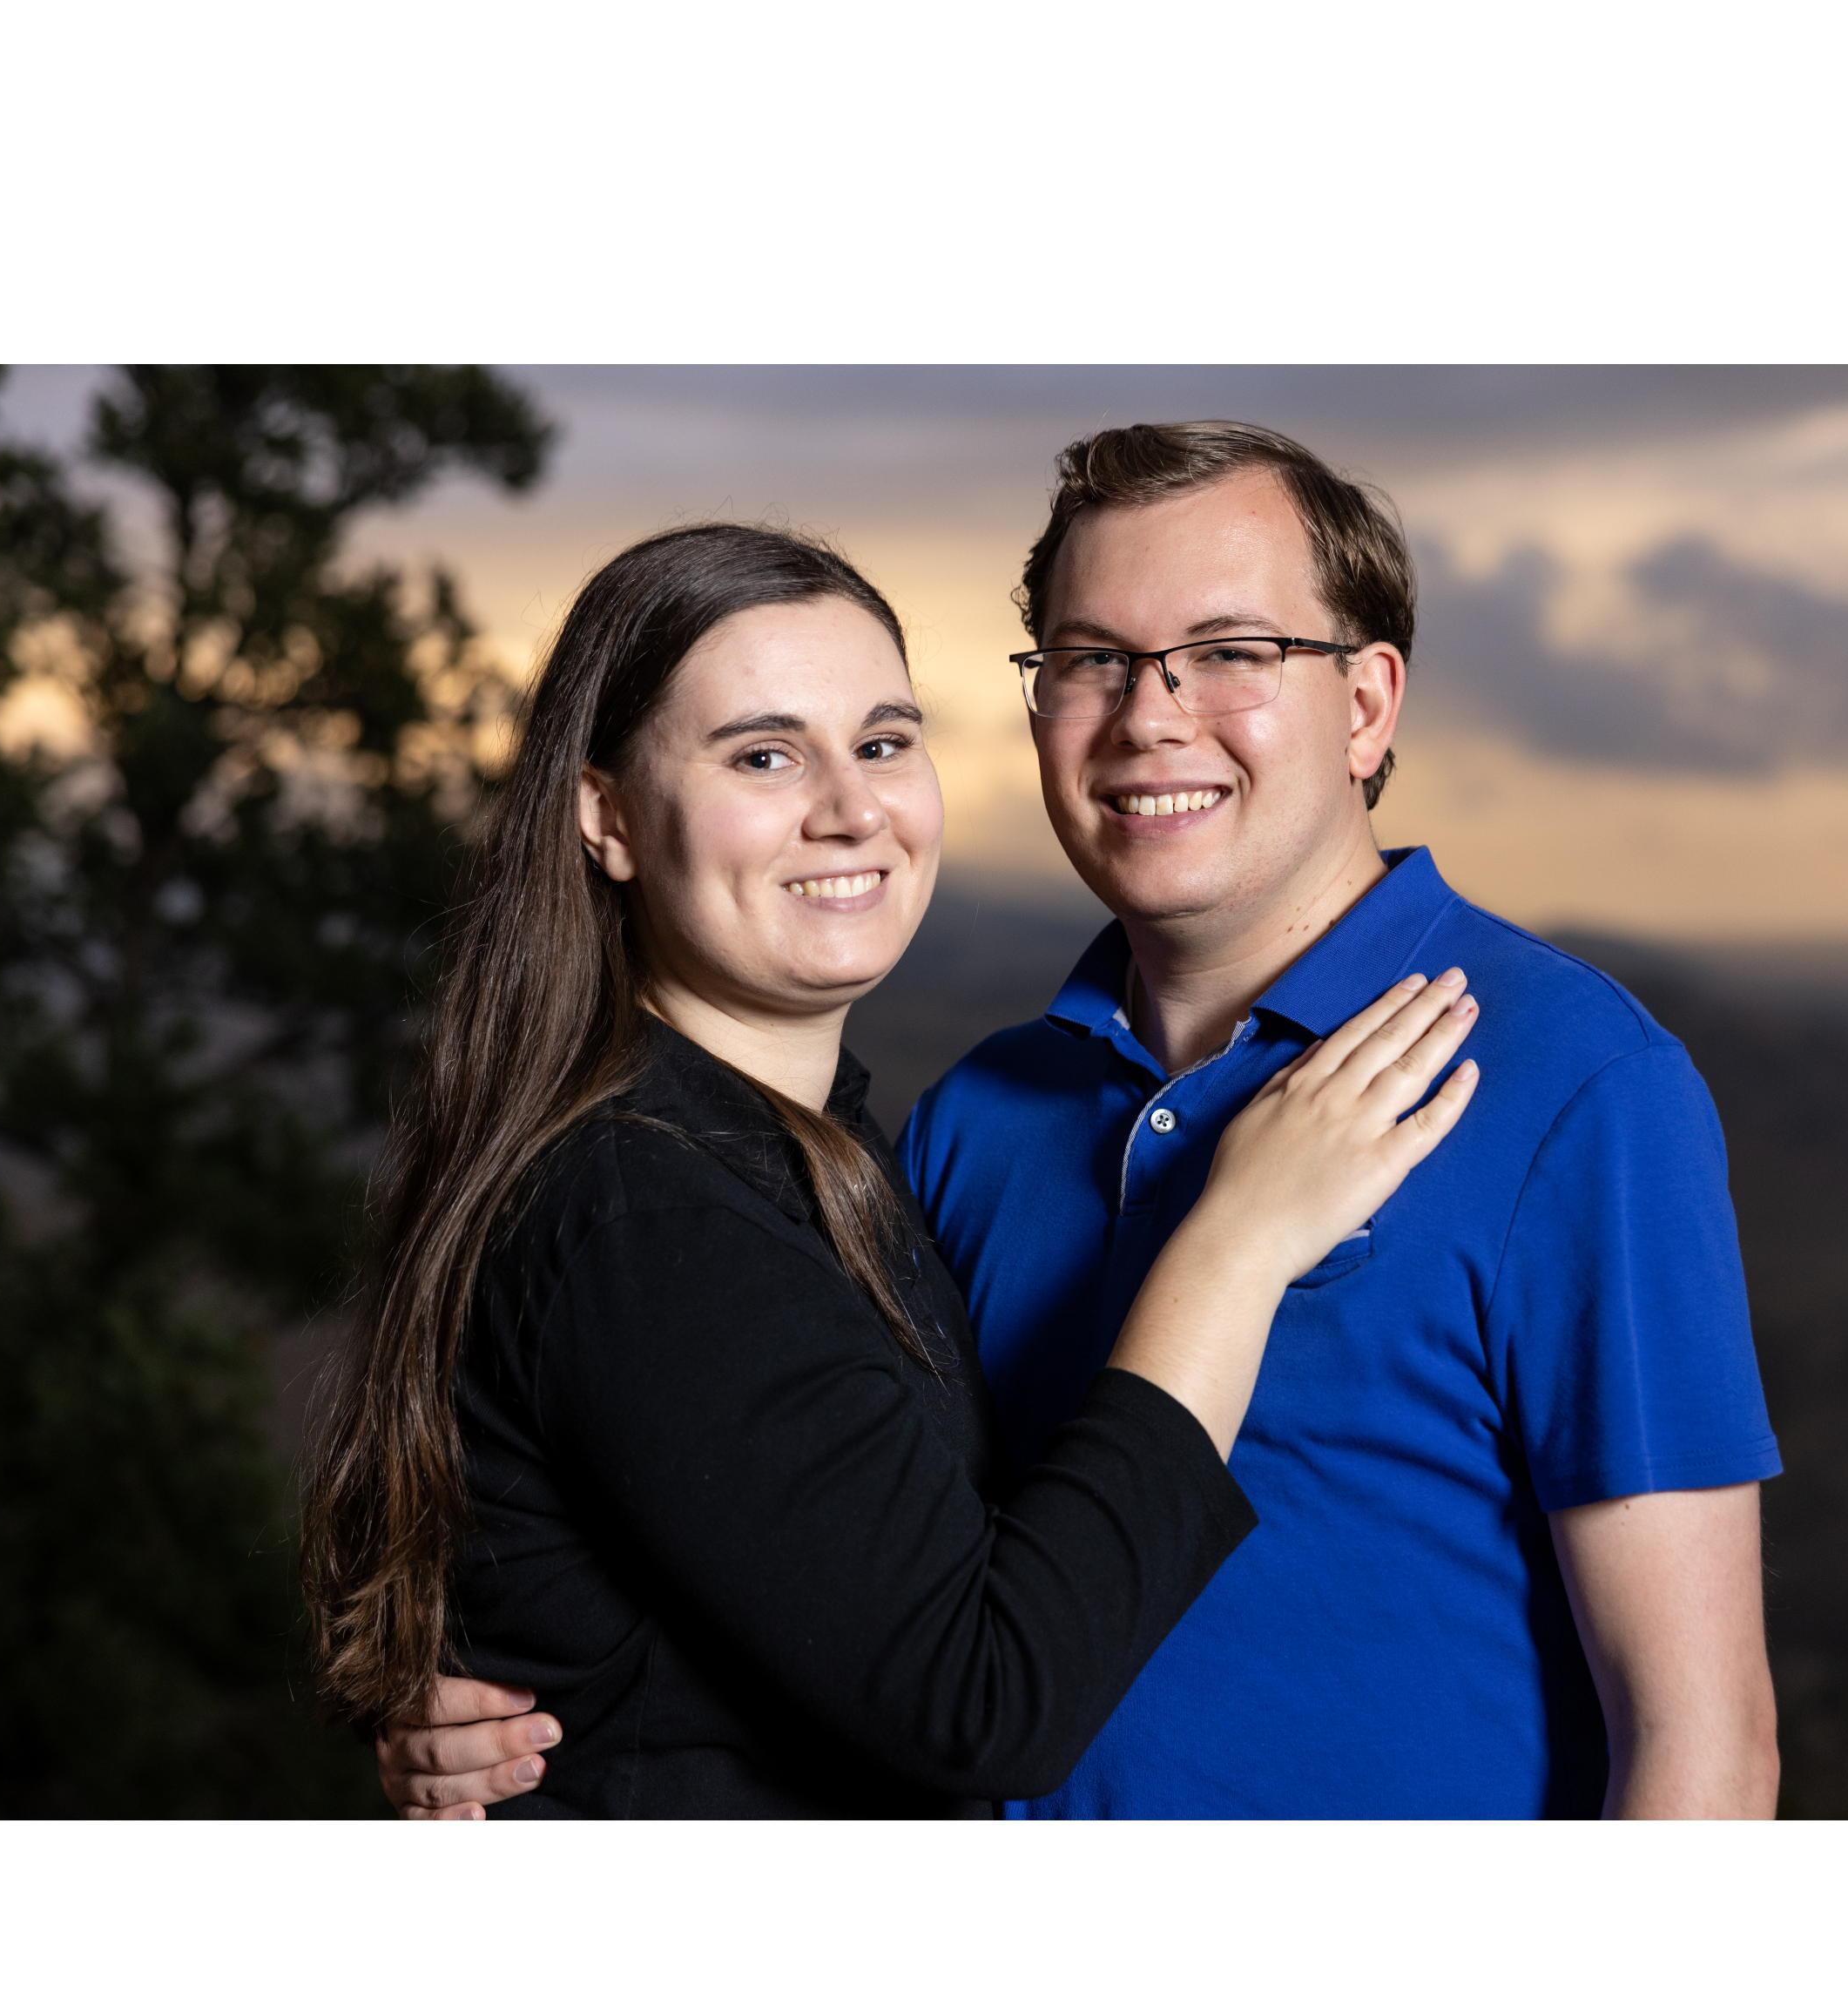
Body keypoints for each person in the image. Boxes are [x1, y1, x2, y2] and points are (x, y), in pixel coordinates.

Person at [388, 422, 1782, 1820]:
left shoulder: (1568, 1084)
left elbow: (1701, 1744)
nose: (1149, 717)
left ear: (1365, 707)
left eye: (1230, 652)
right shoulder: (973, 1120)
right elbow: (849, 1570)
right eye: (1092, 660)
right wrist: (537, 1693)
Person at [306, 518, 1480, 1818]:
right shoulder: (651, 1208)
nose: (851, 810)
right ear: (609, 816)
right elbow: (982, 1707)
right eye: (764, 755)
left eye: (881, 743)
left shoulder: (820, 1153)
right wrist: (1237, 1242)